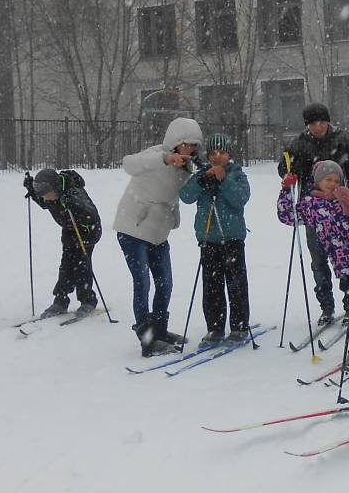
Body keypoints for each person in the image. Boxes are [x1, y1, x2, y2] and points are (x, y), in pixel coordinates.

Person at [278, 158, 349, 359]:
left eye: (336, 180)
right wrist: (286, 191)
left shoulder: (347, 195)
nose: (332, 184)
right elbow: (288, 216)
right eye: (328, 180)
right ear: (318, 181)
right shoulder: (310, 205)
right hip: (343, 258)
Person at [277, 103, 349, 328]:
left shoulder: (342, 140)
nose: (318, 127)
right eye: (313, 123)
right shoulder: (299, 144)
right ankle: (326, 307)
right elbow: (285, 166)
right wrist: (289, 175)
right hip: (315, 211)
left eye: (322, 122)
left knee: (347, 259)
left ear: (328, 122)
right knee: (319, 261)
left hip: (341, 209)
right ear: (307, 125)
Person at [114, 116, 201, 356]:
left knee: (166, 283)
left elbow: (175, 197)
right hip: (133, 227)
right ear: (174, 142)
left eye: (194, 145)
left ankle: (159, 329)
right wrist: (164, 158)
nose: (190, 150)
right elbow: (128, 163)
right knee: (142, 282)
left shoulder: (187, 168)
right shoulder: (156, 155)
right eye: (186, 144)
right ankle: (146, 335)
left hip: (158, 233)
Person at [178, 134, 251, 346]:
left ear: (229, 154)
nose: (217, 157)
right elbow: (186, 196)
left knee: (236, 284)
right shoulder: (202, 174)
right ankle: (215, 328)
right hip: (208, 239)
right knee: (212, 286)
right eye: (213, 154)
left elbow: (240, 199)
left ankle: (239, 326)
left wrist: (224, 180)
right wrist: (202, 181)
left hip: (232, 239)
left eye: (222, 153)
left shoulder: (237, 174)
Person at [23, 167, 102, 319]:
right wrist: (32, 189)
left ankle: (88, 301)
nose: (45, 199)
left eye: (47, 195)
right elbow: (44, 202)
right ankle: (60, 301)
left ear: (56, 188)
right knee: (66, 266)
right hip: (70, 231)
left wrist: (73, 204)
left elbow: (90, 214)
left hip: (86, 232)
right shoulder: (53, 194)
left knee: (81, 266)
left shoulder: (73, 193)